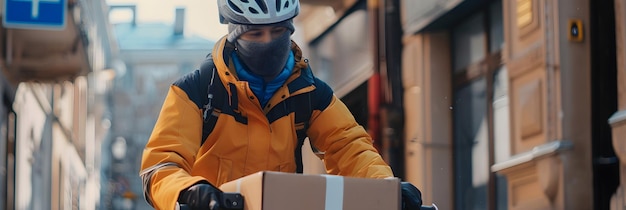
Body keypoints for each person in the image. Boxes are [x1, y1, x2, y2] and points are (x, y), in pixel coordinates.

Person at [139, 0, 423, 209]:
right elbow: (161, 166)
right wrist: (190, 191)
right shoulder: (196, 91)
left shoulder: (310, 92)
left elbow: (349, 146)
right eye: (255, 34)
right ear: (235, 35)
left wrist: (387, 189)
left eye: (277, 32)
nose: (268, 41)